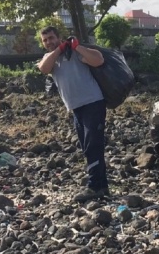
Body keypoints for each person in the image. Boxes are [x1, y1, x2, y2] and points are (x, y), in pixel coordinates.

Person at [37, 26, 110, 202]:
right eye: (45, 40)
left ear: (59, 37)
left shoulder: (75, 52)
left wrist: (75, 46)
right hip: (76, 108)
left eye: (52, 38)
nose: (49, 42)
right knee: (87, 146)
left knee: (93, 145)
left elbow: (98, 60)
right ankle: (102, 186)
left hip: (93, 102)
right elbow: (43, 69)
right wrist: (58, 50)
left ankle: (94, 187)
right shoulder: (50, 58)